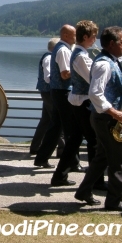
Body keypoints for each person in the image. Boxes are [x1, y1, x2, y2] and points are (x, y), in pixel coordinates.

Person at [74, 26, 122, 211]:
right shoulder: (104, 64)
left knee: (102, 157)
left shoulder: (112, 61)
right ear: (111, 44)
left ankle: (83, 191)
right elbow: (95, 93)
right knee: (118, 159)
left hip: (104, 117)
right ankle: (115, 201)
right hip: (105, 118)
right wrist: (114, 112)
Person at [52, 21, 105, 188]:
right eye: (94, 36)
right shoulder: (80, 56)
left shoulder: (78, 53)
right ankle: (95, 181)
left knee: (74, 140)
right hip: (82, 102)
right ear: (86, 37)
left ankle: (59, 176)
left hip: (77, 100)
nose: (95, 39)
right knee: (93, 140)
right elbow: (92, 79)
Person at [33, 24, 77, 169]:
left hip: (57, 92)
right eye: (74, 35)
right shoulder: (64, 50)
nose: (76, 37)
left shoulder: (59, 49)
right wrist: (80, 70)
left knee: (55, 127)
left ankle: (41, 157)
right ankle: (72, 162)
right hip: (62, 92)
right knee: (70, 129)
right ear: (66, 35)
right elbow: (65, 74)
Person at [30, 38, 65, 156]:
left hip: (47, 92)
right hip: (49, 93)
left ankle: (35, 147)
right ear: (55, 48)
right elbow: (48, 77)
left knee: (45, 121)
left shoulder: (49, 56)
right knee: (57, 120)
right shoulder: (49, 58)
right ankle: (62, 148)